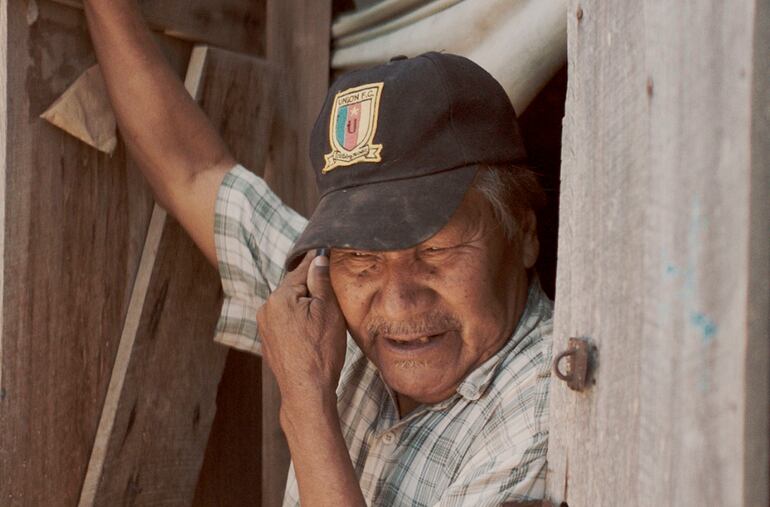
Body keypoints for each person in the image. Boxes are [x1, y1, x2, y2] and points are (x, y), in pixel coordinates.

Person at [84, 2, 553, 505]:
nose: (396, 304)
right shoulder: (332, 302)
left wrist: (307, 407)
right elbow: (191, 172)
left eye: (434, 249)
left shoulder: (544, 411)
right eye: (362, 255)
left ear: (524, 234)